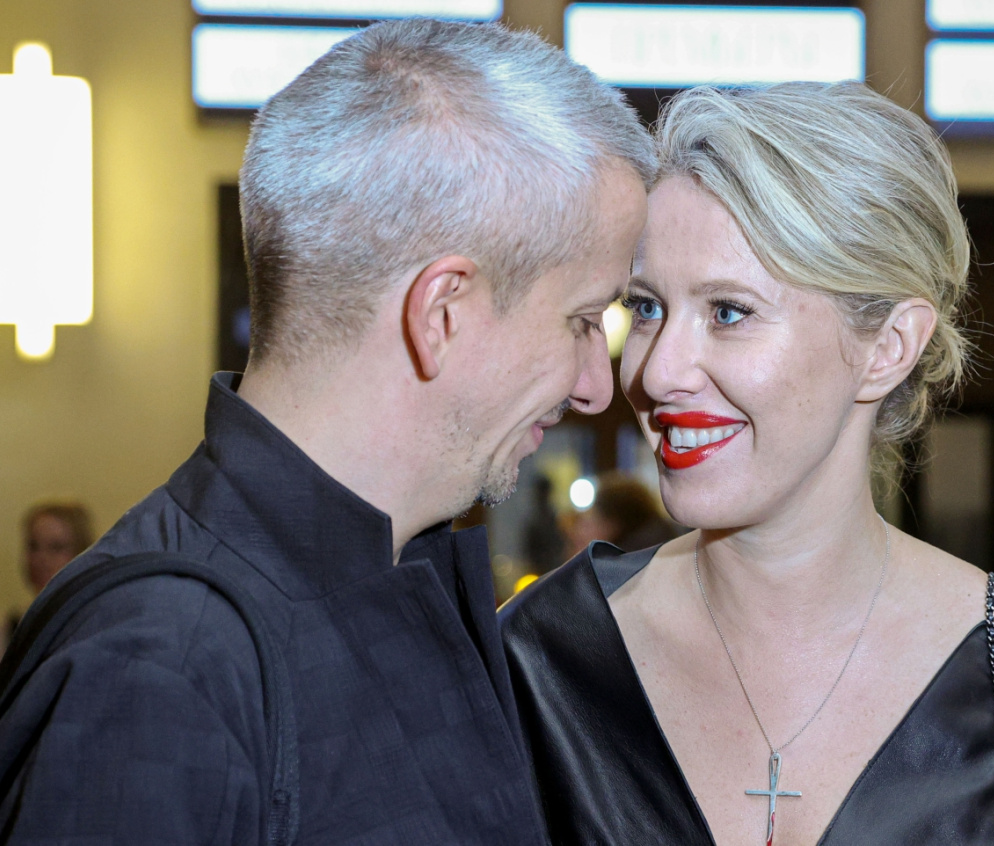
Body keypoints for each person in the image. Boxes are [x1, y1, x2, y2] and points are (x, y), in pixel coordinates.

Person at [0, 18, 651, 845]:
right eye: (583, 320)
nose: (597, 387)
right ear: (442, 314)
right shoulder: (159, 666)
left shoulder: (397, 572)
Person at [500, 81, 994, 845]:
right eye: (645, 308)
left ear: (888, 348)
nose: (657, 371)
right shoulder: (542, 654)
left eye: (728, 312)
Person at [3, 501, 94, 647]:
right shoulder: (13, 628)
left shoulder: (97, 624)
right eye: (34, 546)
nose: (41, 559)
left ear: (82, 553)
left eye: (56, 547)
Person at [563, 471, 679, 556]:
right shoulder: (662, 548)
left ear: (612, 525)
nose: (578, 532)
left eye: (588, 524)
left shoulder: (622, 570)